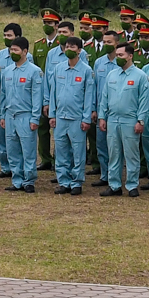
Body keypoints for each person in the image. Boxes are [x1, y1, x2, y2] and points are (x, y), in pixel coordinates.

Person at [98, 42, 147, 196]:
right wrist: (102, 117)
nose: (118, 58)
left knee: (131, 155)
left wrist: (141, 121)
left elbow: (144, 100)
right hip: (112, 119)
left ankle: (132, 186)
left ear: (130, 56)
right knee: (114, 154)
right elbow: (104, 97)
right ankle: (114, 185)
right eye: (117, 55)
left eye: (121, 55)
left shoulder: (140, 76)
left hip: (130, 120)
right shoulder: (111, 75)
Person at [47, 35, 93, 196]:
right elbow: (53, 92)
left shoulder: (86, 71)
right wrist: (52, 114)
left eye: (73, 47)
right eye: (67, 47)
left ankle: (77, 182)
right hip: (60, 117)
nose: (69, 50)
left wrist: (86, 118)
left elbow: (89, 96)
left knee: (78, 151)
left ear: (79, 50)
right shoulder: (58, 68)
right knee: (61, 151)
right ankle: (63, 181)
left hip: (77, 118)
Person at [0, 37, 45, 193]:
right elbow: (3, 95)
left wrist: (35, 118)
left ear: (25, 52)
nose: (13, 53)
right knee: (12, 150)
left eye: (16, 50)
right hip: (10, 115)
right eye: (11, 50)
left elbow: (37, 97)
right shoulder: (7, 71)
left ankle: (29, 180)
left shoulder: (34, 71)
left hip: (26, 116)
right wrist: (3, 116)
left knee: (28, 150)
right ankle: (16, 179)